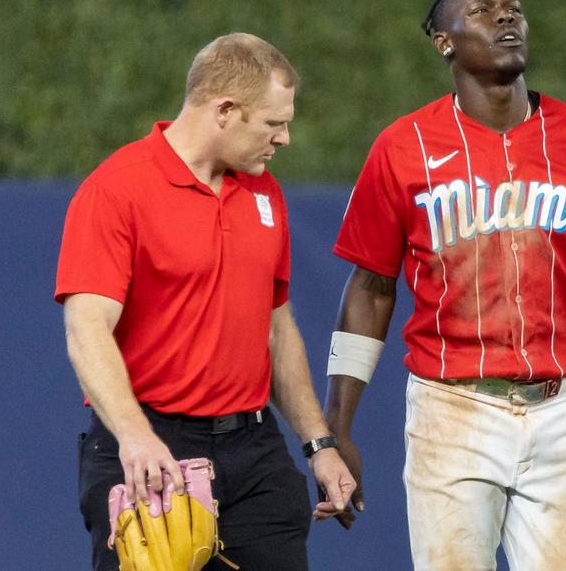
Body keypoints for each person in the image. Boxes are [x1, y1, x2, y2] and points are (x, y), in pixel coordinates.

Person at [322, 0, 566, 571]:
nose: (505, 17)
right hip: (451, 412)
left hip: (559, 411)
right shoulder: (402, 146)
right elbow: (370, 288)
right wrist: (338, 428)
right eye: (483, 10)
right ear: (445, 41)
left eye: (514, 8)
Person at [55, 33, 355, 571]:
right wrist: (134, 437)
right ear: (224, 110)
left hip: (254, 449)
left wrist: (318, 443)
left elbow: (276, 329)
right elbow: (87, 329)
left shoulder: (264, 192)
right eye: (273, 123)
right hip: (155, 446)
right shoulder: (117, 189)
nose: (284, 138)